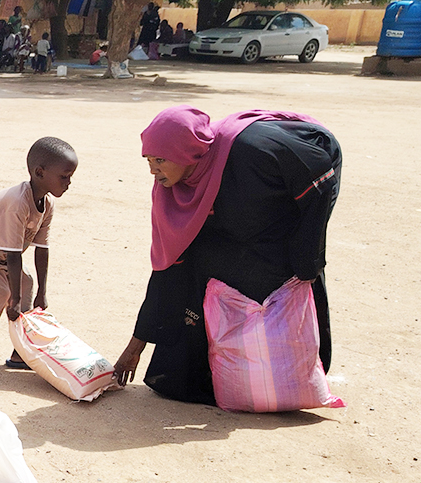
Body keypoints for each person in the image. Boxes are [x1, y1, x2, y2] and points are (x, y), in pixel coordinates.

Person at [114, 106, 341, 405]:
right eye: (149, 160)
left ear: (187, 154)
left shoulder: (252, 151)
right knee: (200, 258)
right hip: (251, 194)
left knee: (287, 264)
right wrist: (135, 346)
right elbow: (168, 268)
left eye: (160, 160)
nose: (152, 171)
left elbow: (320, 177)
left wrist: (308, 263)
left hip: (313, 173)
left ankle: (295, 370)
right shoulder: (173, 190)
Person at [0, 137, 78, 370]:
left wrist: (42, 292)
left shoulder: (46, 204)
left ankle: (21, 350)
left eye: (70, 177)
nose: (69, 183)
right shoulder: (16, 203)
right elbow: (14, 255)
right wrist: (14, 300)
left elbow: (42, 248)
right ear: (40, 172)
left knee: (25, 283)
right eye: (64, 176)